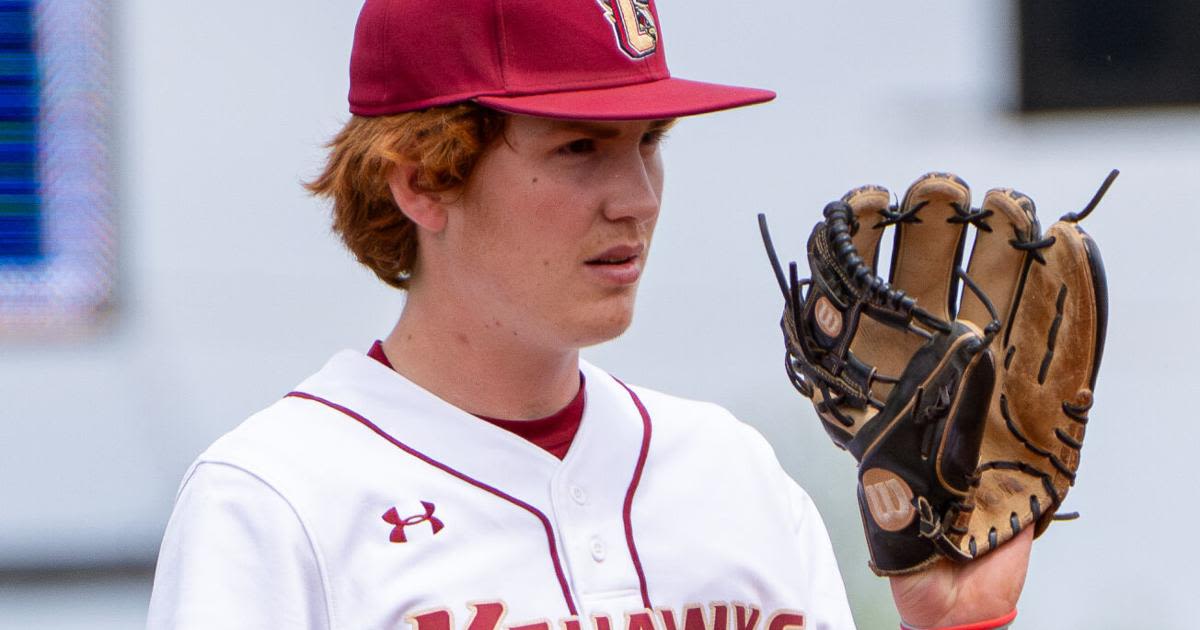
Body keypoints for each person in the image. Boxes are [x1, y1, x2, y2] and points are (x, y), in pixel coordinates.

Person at [146, 1, 1033, 628]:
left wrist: (957, 628)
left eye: (650, 143)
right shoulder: (278, 501)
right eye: (580, 148)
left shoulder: (732, 475)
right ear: (421, 179)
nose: (638, 199)